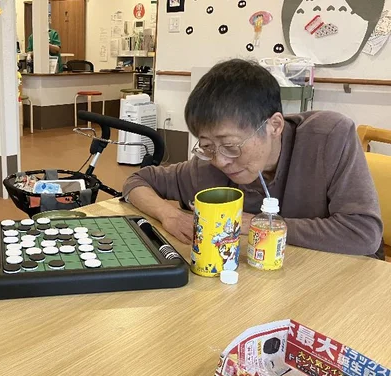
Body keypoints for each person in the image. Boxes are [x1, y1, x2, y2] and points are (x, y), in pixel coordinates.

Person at [123, 59, 383, 258]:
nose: (220, 161)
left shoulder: (328, 137)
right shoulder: (209, 165)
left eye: (231, 146)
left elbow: (363, 233)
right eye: (207, 146)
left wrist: (258, 224)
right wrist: (168, 214)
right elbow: (137, 181)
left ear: (274, 126)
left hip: (341, 278)